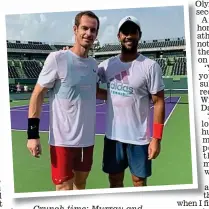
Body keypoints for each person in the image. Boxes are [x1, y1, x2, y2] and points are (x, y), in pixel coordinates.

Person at [27, 10, 106, 191]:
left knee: (81, 185)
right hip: (62, 141)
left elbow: (94, 92)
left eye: (93, 30)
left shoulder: (94, 65)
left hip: (87, 142)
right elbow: (38, 94)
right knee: (63, 188)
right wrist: (32, 135)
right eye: (84, 28)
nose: (89, 33)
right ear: (75, 29)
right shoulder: (57, 58)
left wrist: (126, 95)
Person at [98, 16, 165, 187]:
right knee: (114, 180)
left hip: (140, 138)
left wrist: (156, 138)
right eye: (125, 32)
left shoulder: (150, 66)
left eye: (132, 32)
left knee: (138, 181)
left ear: (139, 35)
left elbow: (158, 102)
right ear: (119, 36)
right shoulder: (106, 66)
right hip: (113, 137)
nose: (129, 36)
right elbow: (88, 83)